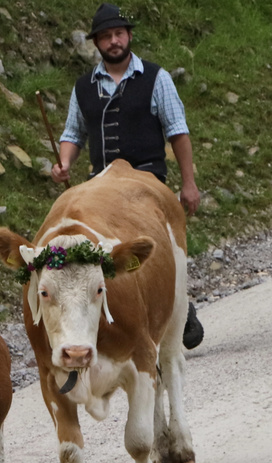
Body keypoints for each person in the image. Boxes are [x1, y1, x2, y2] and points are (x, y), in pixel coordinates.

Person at [51, 2, 204, 349]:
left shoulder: (156, 78)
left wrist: (188, 184)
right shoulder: (83, 87)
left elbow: (178, 132)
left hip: (148, 181)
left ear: (129, 36)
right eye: (106, 36)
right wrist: (64, 163)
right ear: (97, 44)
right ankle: (109, 314)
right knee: (104, 255)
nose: (114, 41)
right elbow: (73, 133)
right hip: (100, 185)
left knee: (163, 249)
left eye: (118, 34)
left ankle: (180, 305)